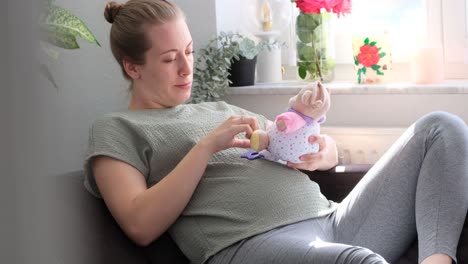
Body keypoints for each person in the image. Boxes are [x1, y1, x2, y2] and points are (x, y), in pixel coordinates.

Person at [84, 0, 468, 263]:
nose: (186, 68)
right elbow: (139, 225)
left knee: (440, 127)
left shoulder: (220, 108)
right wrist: (204, 148)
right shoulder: (117, 129)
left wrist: (322, 150)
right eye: (169, 59)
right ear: (133, 67)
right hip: (251, 246)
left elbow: (293, 143)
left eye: (189, 52)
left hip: (335, 220)